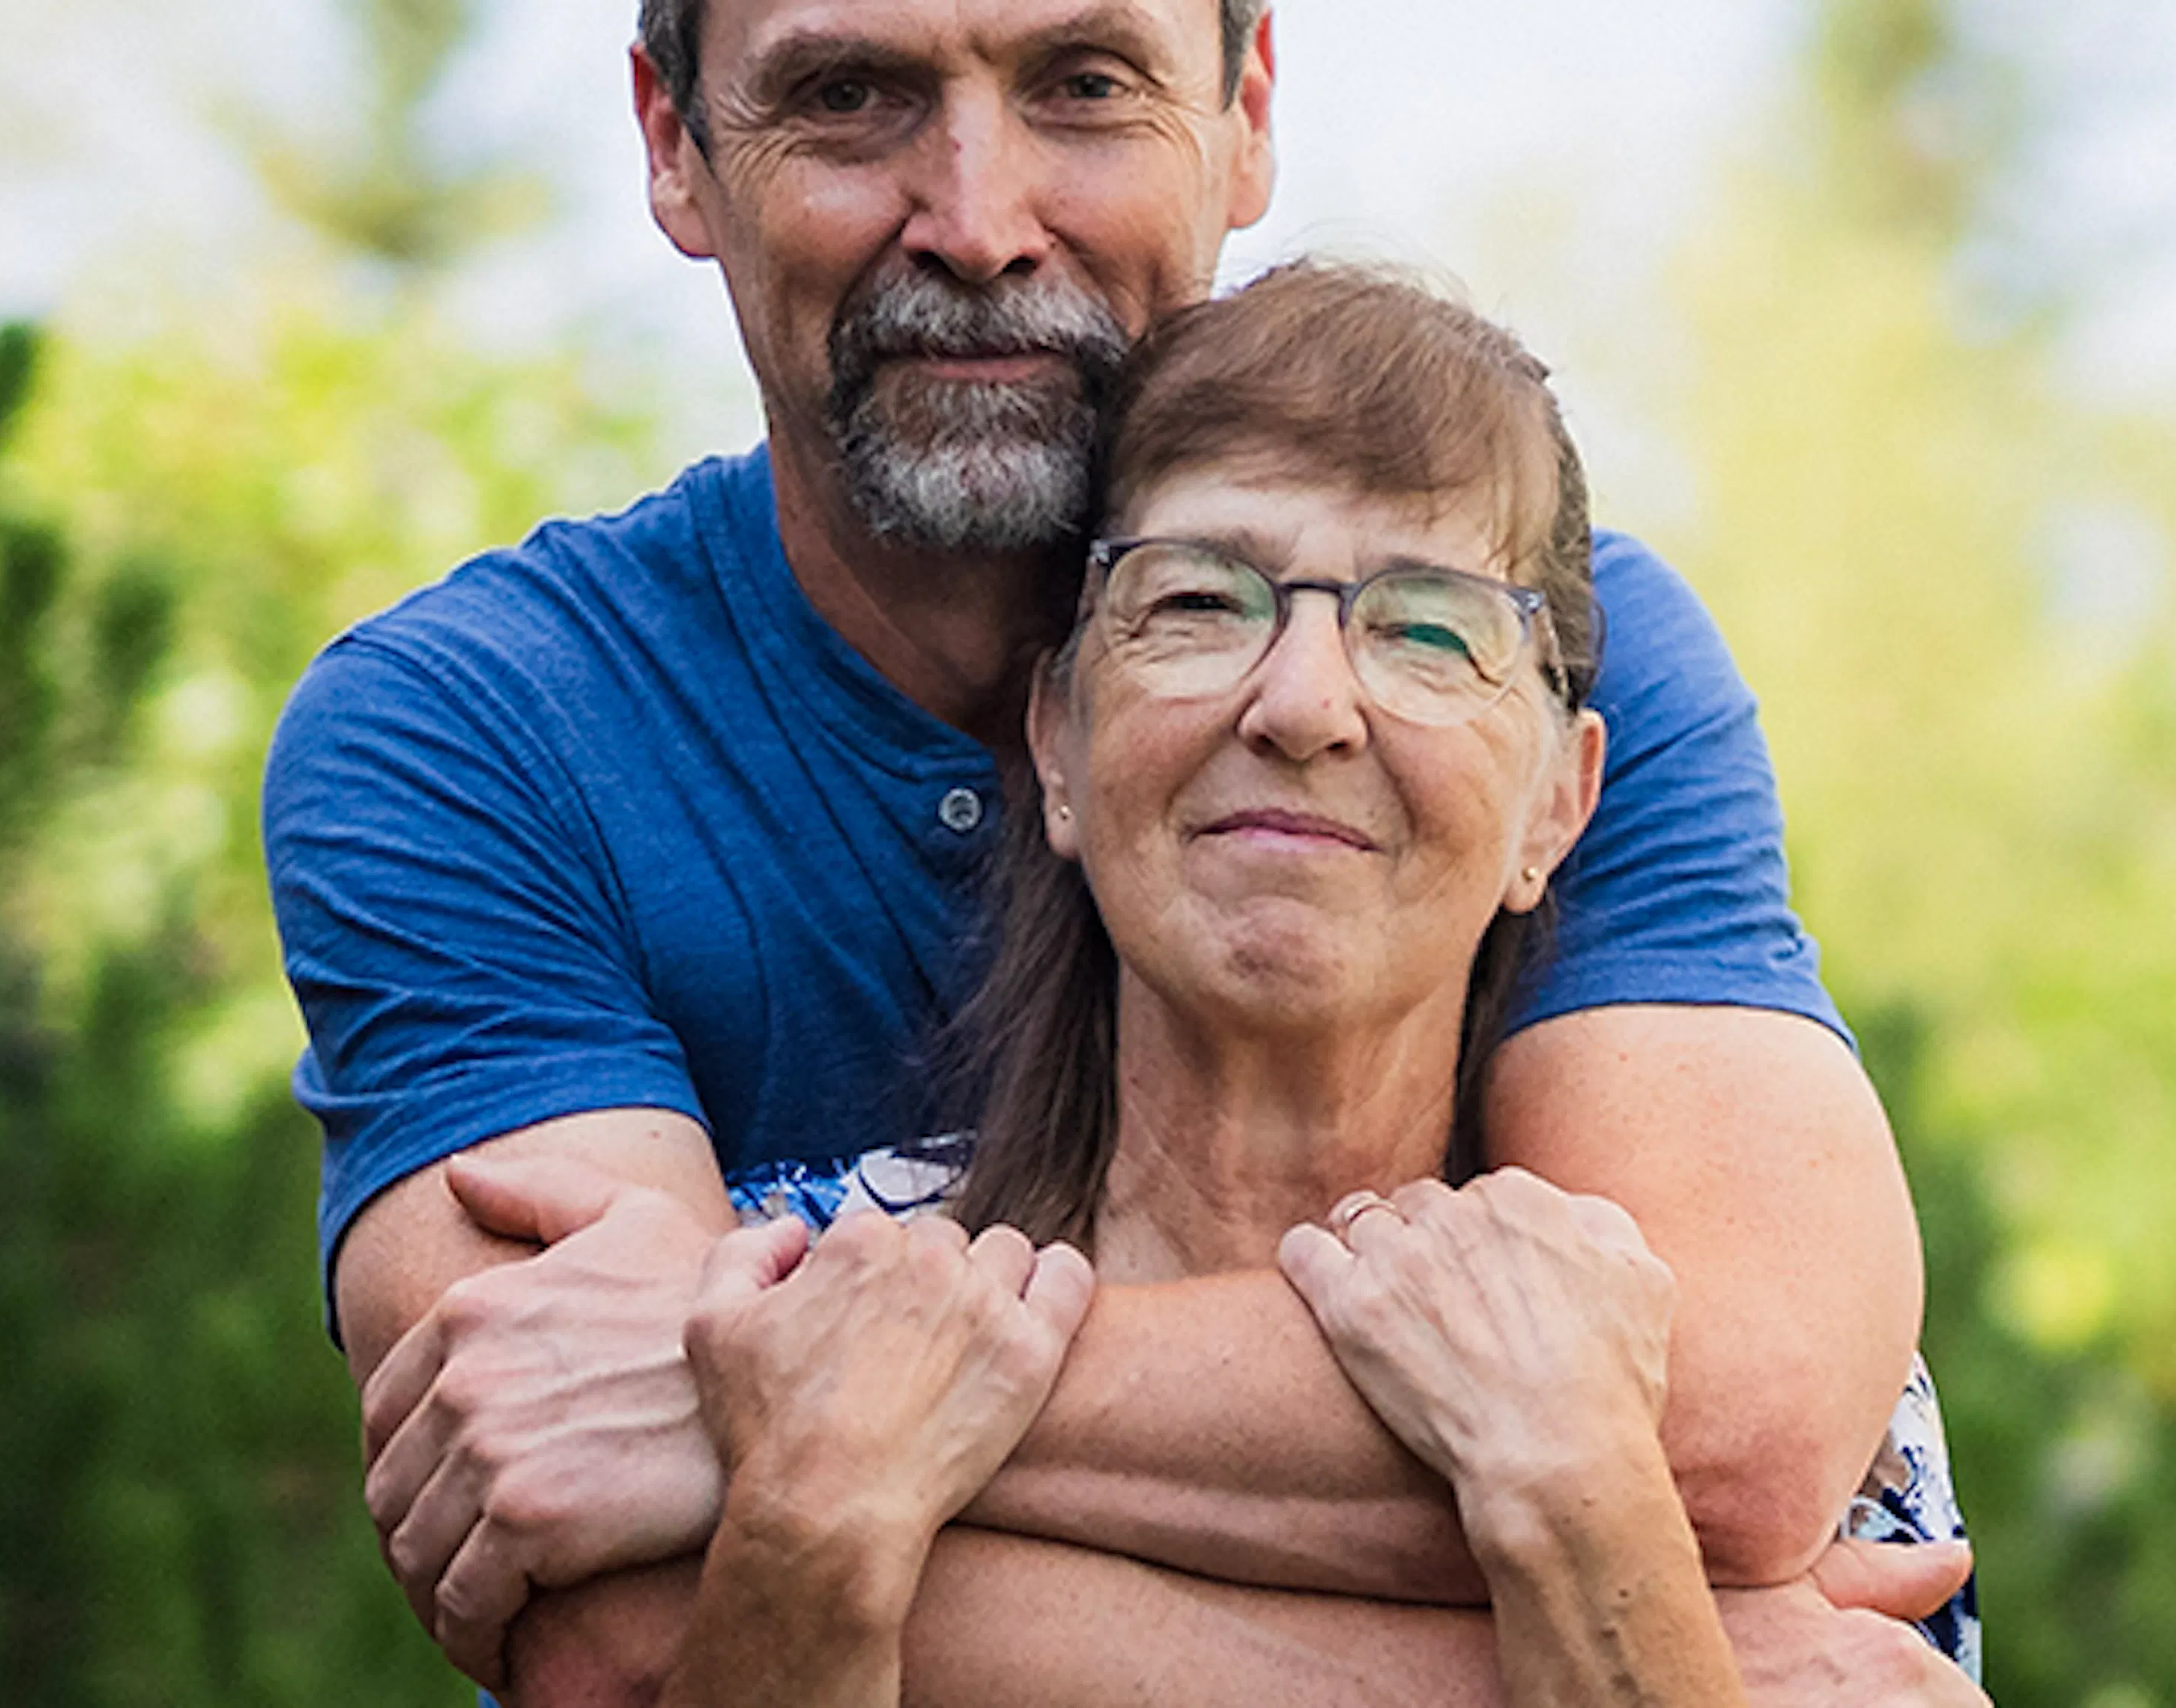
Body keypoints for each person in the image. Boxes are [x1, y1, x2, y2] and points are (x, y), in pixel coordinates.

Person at [264, 0, 1980, 1698]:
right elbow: (618, 1621)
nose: (981, 221)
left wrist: (779, 1393)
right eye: (848, 96)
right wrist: (1623, 1639)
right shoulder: (474, 731)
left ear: (1244, 115)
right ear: (674, 142)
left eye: (1084, 86)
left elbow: (1738, 1432)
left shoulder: (1545, 643)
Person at [651, 259, 1783, 1707]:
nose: (1305, 705)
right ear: (1055, 745)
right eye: (1198, 601)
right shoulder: (790, 1306)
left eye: (1428, 628)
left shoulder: (1655, 1358)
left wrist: (1585, 1504)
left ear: (1558, 808)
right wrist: (808, 1530)